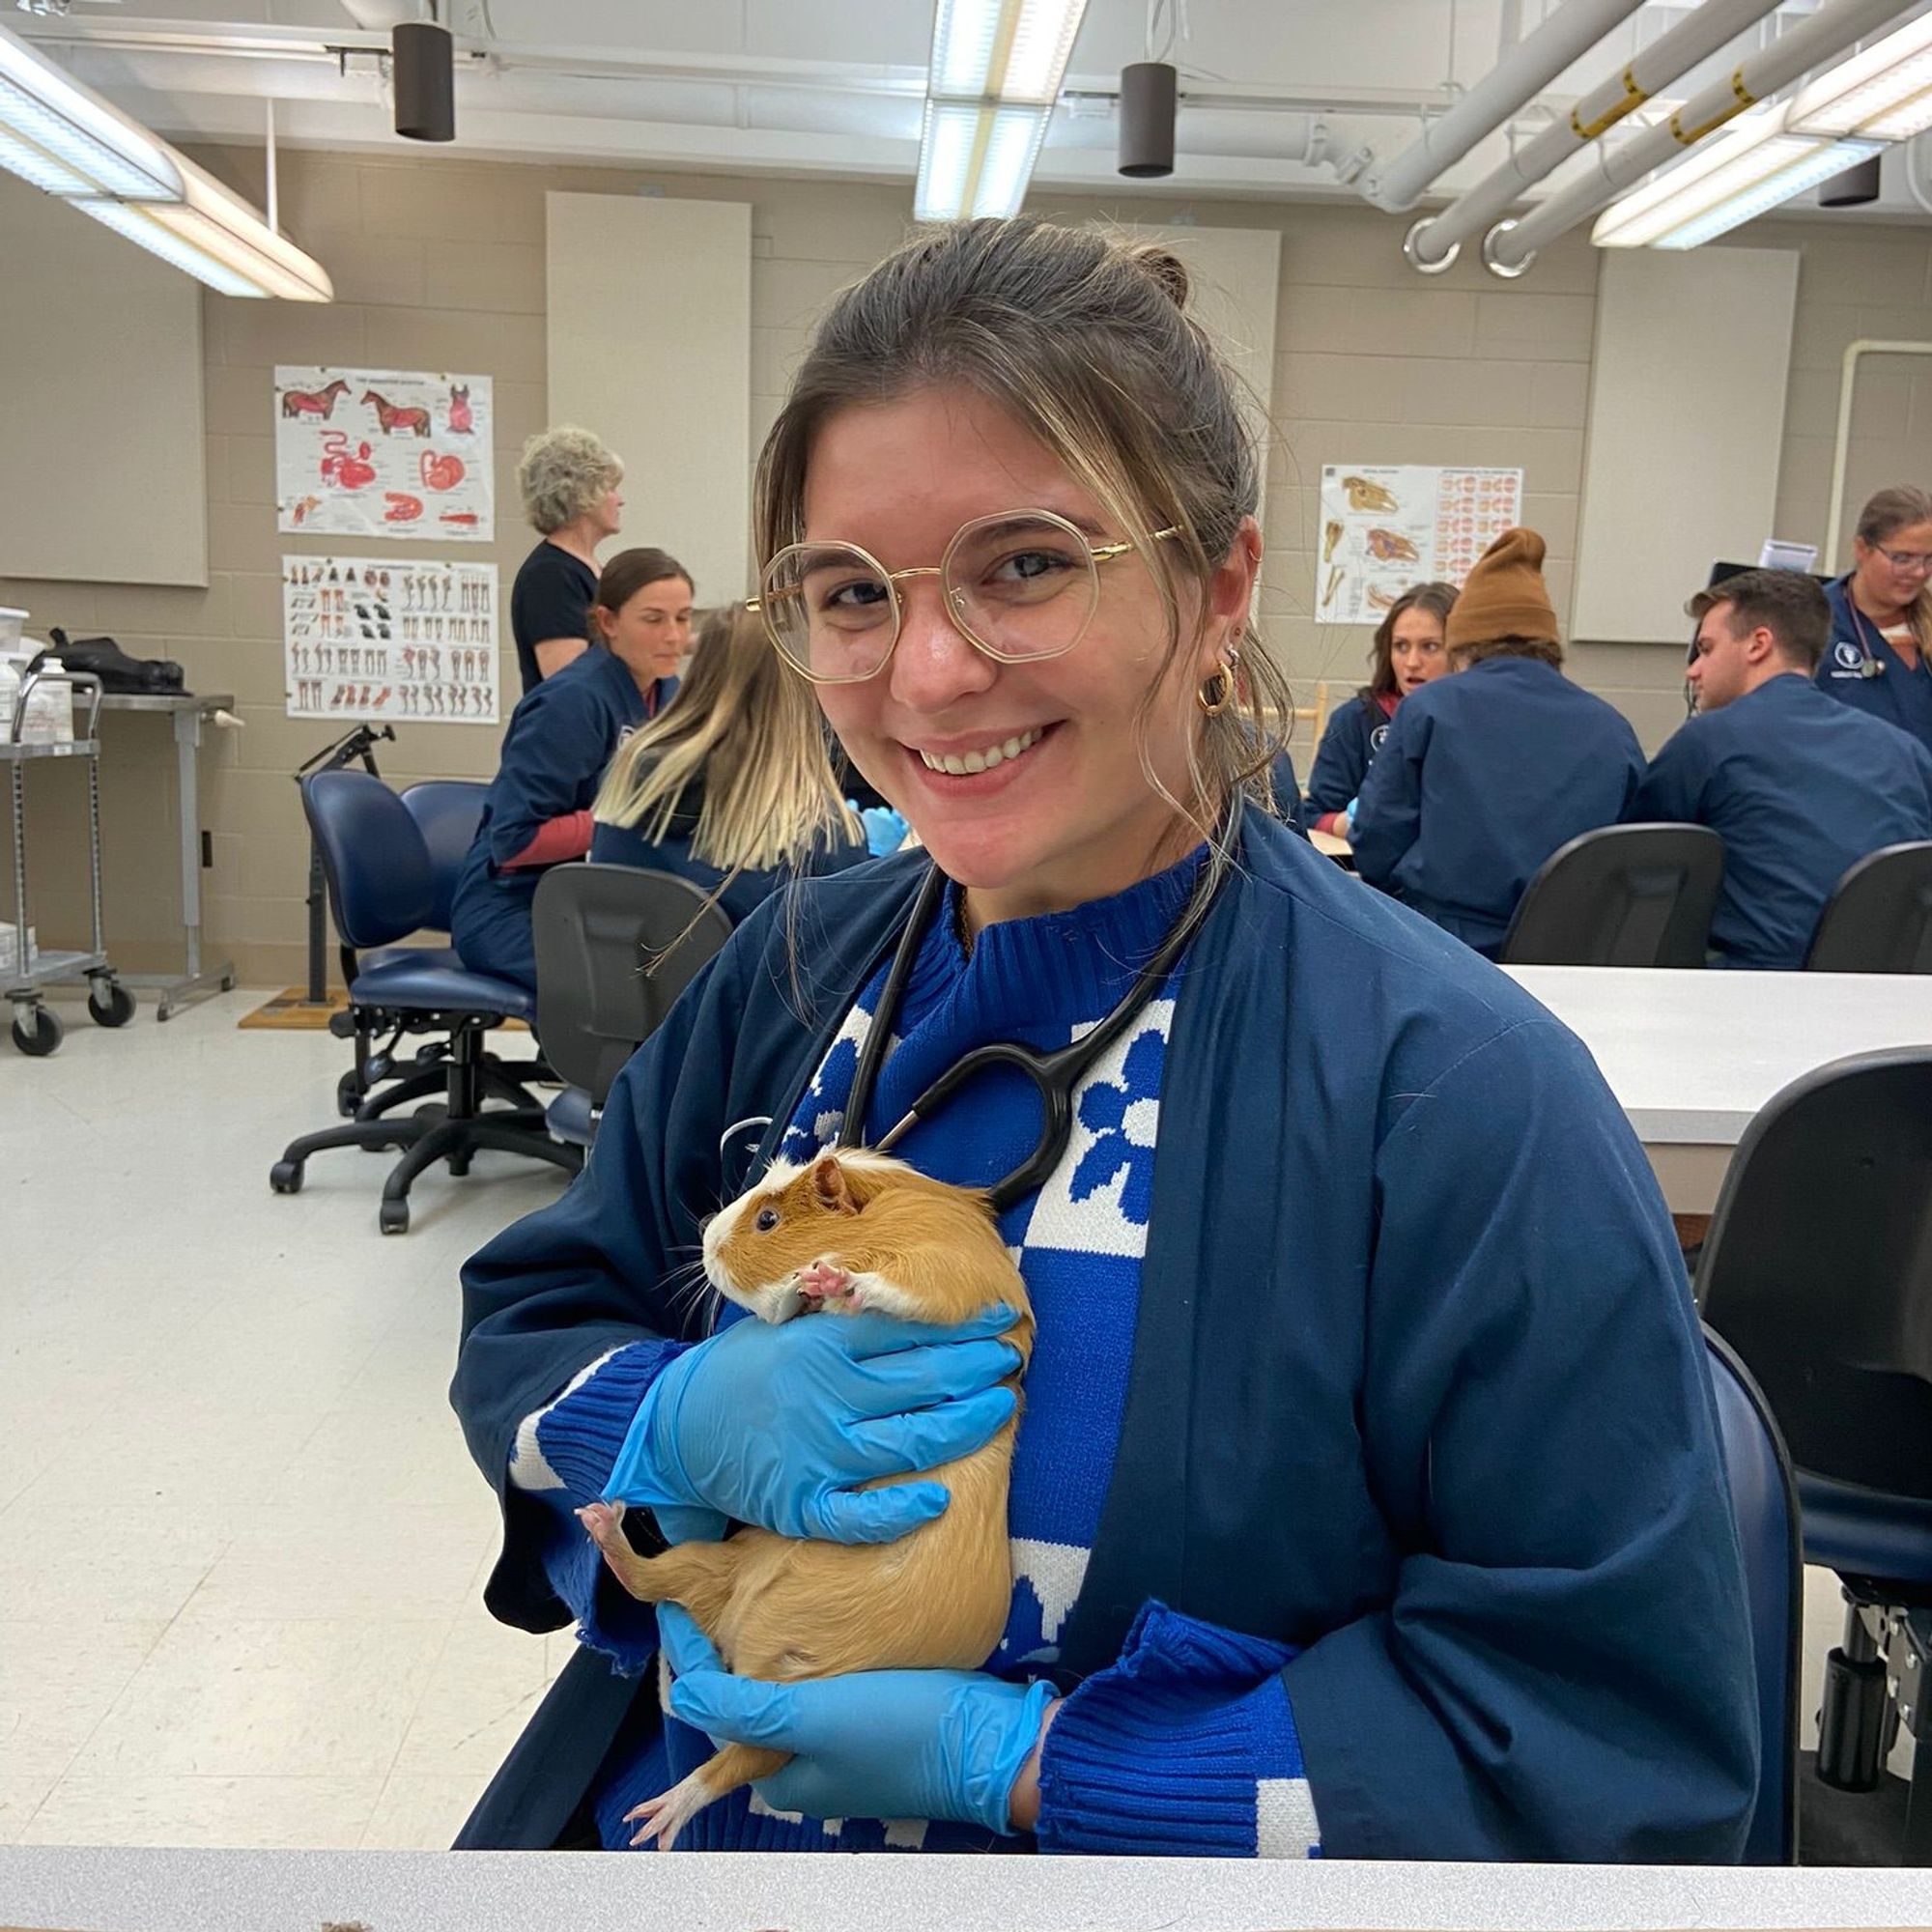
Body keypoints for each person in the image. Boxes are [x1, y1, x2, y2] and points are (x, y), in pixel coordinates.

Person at [451, 219, 1753, 1861]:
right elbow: (535, 1312)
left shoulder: (1456, 1098)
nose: (925, 674)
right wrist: (655, 1432)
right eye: (852, 593)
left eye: (1026, 565)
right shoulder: (783, 978)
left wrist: (1039, 1768)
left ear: (1215, 590)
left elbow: (1607, 1730)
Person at [1351, 528, 1644, 957]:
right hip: (1576, 955)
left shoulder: (1431, 709)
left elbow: (1376, 838)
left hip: (1447, 948)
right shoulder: (1614, 729)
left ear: (1462, 642)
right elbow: (1632, 855)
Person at [1632, 568, 1932, 970]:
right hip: (1892, 992)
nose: (1693, 670)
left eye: (1706, 649)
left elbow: (1634, 864)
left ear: (1758, 645)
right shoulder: (1906, 751)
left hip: (1760, 989)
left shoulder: (1710, 741)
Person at [450, 548, 691, 993]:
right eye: (654, 619)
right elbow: (513, 841)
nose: (674, 636)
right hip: (513, 908)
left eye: (683, 618)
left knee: (684, 973)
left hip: (594, 904)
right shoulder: (572, 702)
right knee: (626, 992)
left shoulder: (668, 692)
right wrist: (625, 818)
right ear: (608, 622)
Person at [589, 602, 870, 924]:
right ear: (800, 688)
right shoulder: (821, 833)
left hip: (624, 975)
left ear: (701, 670)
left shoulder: (629, 774)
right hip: (747, 977)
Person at [1303, 582, 1456, 838]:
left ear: (1460, 651)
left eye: (1429, 646)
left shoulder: (1482, 723)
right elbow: (1313, 816)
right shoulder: (1354, 720)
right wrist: (1354, 822)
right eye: (1401, 646)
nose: (1412, 662)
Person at [1816, 485, 1932, 755]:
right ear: (1862, 549)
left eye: (1929, 559)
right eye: (1902, 558)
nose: (1918, 572)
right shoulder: (1813, 621)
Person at [510, 426, 625, 696]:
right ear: (581, 493)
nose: (621, 501)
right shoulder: (549, 576)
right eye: (611, 488)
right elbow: (568, 683)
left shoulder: (594, 570)